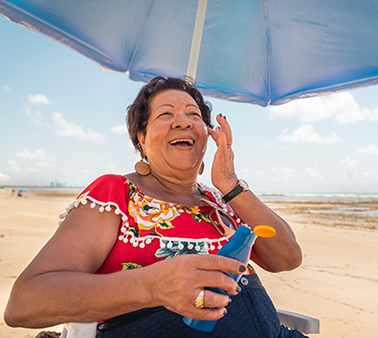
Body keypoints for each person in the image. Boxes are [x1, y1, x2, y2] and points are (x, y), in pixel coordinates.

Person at [4, 77, 305, 337]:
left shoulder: (219, 201)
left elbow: (287, 257)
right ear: (142, 139)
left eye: (193, 114)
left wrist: (229, 184)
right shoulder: (116, 193)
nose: (182, 121)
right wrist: (153, 285)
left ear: (206, 136)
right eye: (165, 114)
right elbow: (25, 303)